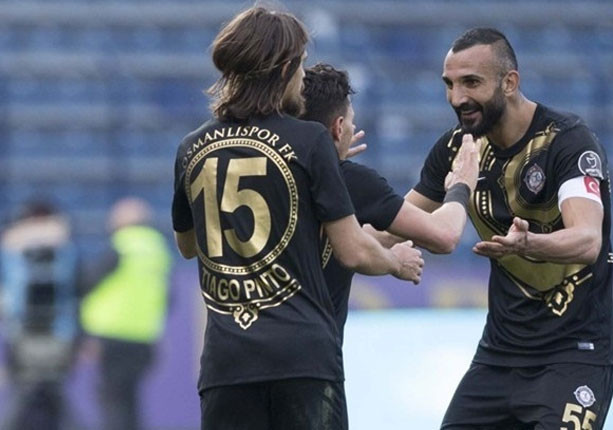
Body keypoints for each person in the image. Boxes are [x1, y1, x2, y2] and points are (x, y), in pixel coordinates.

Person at [170, 7, 423, 430]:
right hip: (302, 359)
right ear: (285, 68)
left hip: (227, 364)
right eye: (302, 64)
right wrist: (396, 262)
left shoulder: (191, 147)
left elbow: (188, 245)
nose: (304, 77)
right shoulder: (310, 140)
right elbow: (353, 251)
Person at [407, 28, 613, 429]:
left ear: (509, 82)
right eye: (449, 84)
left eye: (471, 83)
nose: (457, 98)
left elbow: (588, 240)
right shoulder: (457, 148)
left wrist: (528, 243)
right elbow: (397, 222)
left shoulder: (567, 142)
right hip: (498, 357)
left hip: (574, 355)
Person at [300, 63, 479, 340]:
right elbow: (444, 236)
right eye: (351, 122)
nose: (353, 128)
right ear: (338, 128)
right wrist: (461, 185)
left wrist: (324, 158)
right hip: (309, 352)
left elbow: (340, 240)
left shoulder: (268, 171)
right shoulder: (351, 180)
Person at [79, 197, 172, 430]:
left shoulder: (121, 247)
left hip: (112, 335)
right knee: (131, 400)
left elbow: (87, 282)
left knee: (112, 401)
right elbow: (169, 298)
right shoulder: (159, 250)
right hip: (144, 336)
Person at [0, 200, 80, 430]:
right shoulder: (66, 247)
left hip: (31, 332)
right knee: (48, 398)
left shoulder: (13, 248)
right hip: (50, 333)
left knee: (29, 397)